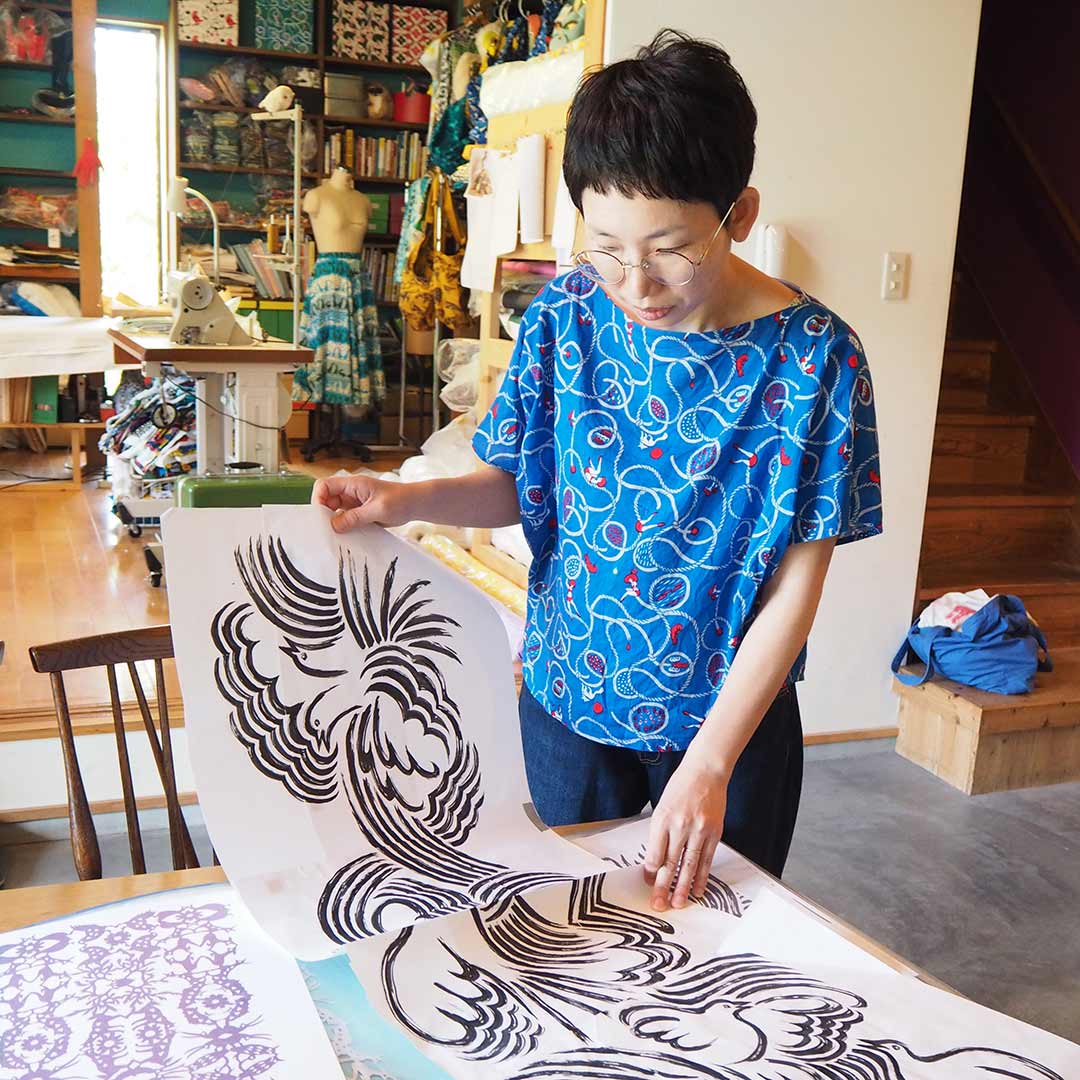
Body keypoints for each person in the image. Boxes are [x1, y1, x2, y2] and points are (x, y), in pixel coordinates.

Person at [313, 30, 882, 914]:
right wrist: (408, 499)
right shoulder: (565, 316)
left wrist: (710, 763)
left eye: (670, 248)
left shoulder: (818, 360)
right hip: (567, 702)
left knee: (720, 943)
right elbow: (518, 483)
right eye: (606, 245)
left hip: (732, 728)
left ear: (739, 214)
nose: (636, 282)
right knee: (560, 930)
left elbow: (794, 590)